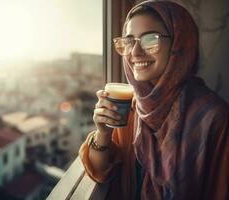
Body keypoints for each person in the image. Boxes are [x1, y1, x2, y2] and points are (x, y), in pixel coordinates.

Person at [79, 0, 229, 199]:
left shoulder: (215, 118)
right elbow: (100, 172)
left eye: (151, 39)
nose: (135, 52)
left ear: (179, 44)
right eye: (129, 41)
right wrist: (103, 132)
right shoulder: (131, 108)